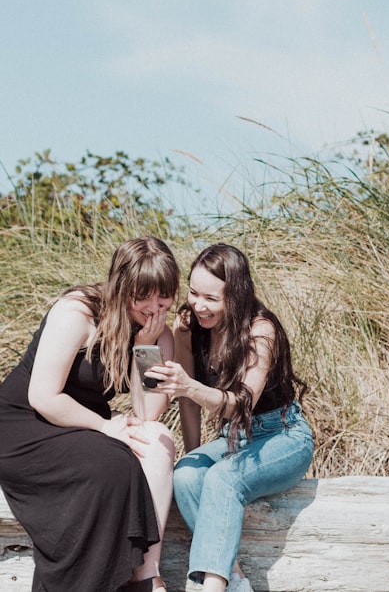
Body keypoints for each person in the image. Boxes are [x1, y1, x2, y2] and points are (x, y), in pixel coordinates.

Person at [0, 236, 180, 592]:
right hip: (27, 426)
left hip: (83, 428)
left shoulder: (157, 334)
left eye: (163, 296)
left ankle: (145, 575)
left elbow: (147, 412)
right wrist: (105, 426)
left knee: (158, 440)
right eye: (143, 296)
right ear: (121, 288)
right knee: (112, 466)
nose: (154, 306)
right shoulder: (78, 312)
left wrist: (144, 348)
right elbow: (43, 396)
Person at [142, 243, 314, 592]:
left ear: (234, 296)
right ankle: (234, 580)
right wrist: (193, 457)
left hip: (283, 436)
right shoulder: (189, 326)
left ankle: (210, 587)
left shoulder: (261, 330)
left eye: (211, 298)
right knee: (188, 476)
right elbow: (188, 404)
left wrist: (189, 386)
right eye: (193, 293)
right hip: (234, 438)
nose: (199, 305)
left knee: (223, 479)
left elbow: (240, 404)